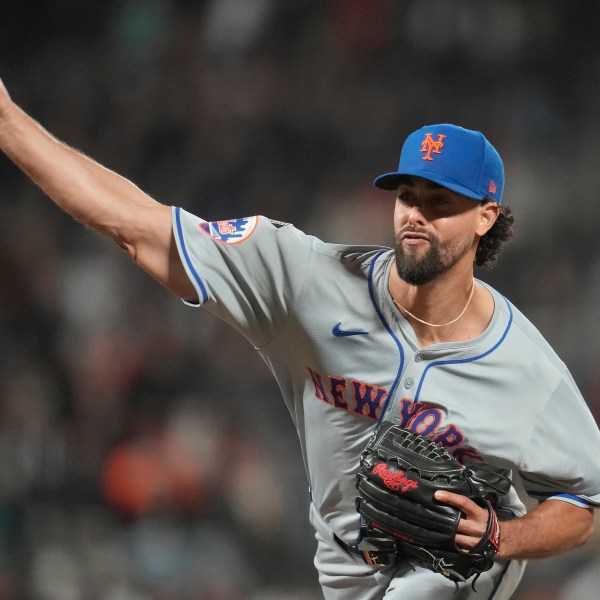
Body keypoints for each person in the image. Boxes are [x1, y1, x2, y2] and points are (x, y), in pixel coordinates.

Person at [1, 78, 599, 600]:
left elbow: (588, 501)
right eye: (407, 196)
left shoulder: (526, 368)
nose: (415, 215)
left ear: (485, 217)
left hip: (459, 570)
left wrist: (504, 536)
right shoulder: (307, 282)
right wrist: (9, 124)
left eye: (439, 202)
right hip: (343, 567)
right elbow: (138, 227)